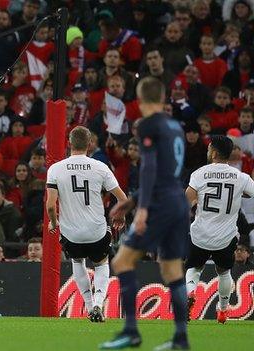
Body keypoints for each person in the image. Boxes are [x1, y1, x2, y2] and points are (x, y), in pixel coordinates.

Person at [102, 77, 190, 350]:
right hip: (178, 202)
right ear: (163, 98)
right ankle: (180, 338)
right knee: (172, 269)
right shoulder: (175, 126)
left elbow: (150, 167)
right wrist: (133, 200)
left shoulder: (148, 125)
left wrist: (141, 209)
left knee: (122, 262)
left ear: (140, 100)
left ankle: (131, 331)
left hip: (159, 204)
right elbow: (168, 170)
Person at [46, 126, 127, 322]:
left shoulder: (55, 169)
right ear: (90, 144)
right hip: (96, 231)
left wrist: (53, 223)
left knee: (77, 261)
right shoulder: (100, 167)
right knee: (101, 264)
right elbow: (123, 199)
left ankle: (89, 306)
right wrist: (120, 216)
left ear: (69, 143)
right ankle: (99, 303)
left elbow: (50, 205)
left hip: (71, 233)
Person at [184, 136, 254, 324]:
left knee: (193, 268)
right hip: (225, 238)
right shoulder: (241, 177)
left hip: (200, 235)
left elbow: (186, 199)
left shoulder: (199, 174)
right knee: (223, 272)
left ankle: (190, 291)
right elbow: (250, 192)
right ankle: (223, 310)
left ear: (214, 152)